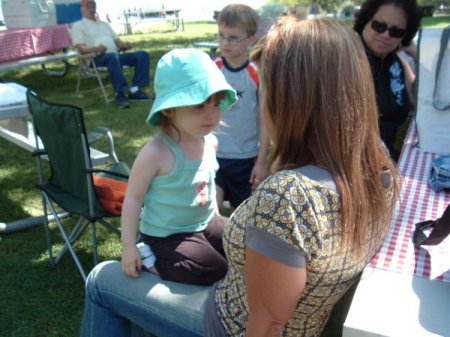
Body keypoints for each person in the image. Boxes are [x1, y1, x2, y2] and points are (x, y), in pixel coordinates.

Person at [80, 17, 400, 337]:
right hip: (295, 321)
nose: (260, 106)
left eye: (266, 91)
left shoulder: (289, 197)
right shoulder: (378, 169)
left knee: (100, 279)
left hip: (229, 323)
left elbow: (269, 323)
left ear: (293, 102)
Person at [121, 48, 237, 286]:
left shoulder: (210, 141)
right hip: (167, 235)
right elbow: (132, 199)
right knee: (214, 268)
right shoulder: (156, 153)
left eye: (216, 104)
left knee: (243, 243)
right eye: (199, 106)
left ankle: (210, 245)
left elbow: (209, 182)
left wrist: (215, 216)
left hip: (204, 222)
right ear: (169, 109)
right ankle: (151, 258)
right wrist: (129, 246)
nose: (211, 115)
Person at [213, 4, 269, 211]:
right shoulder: (212, 68)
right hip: (213, 154)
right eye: (221, 35)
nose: (224, 42)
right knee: (212, 211)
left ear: (251, 39)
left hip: (244, 157)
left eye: (233, 37)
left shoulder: (257, 74)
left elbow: (265, 121)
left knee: (243, 213)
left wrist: (261, 161)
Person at [354, 0, 421, 161]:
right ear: (366, 20)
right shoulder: (350, 58)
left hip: (389, 157)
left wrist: (416, 55)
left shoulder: (395, 62)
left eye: (396, 32)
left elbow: (419, 101)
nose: (385, 35)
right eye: (379, 25)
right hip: (358, 163)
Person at [71, 0, 152, 109]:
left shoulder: (104, 24)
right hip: (95, 59)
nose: (92, 8)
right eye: (88, 5)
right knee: (112, 57)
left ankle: (135, 90)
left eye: (93, 5)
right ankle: (120, 93)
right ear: (82, 9)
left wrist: (125, 45)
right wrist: (96, 49)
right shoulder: (78, 26)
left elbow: (118, 42)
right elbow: (81, 49)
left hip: (114, 57)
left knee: (142, 55)